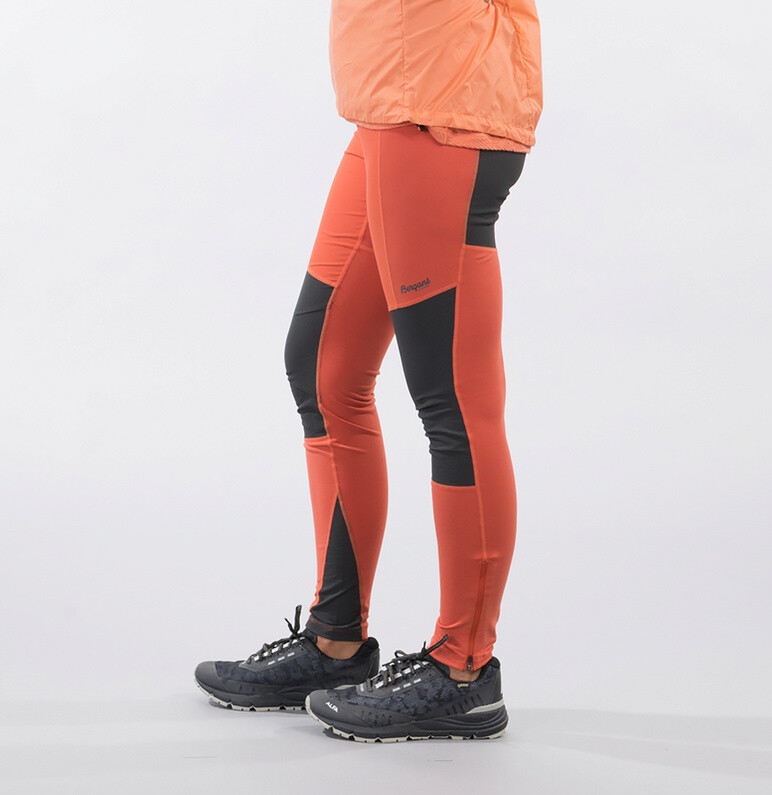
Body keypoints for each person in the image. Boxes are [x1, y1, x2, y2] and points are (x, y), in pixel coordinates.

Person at [194, 0, 543, 742]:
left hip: (441, 104)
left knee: (452, 398)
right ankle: (335, 640)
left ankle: (463, 668)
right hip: (390, 100)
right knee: (323, 368)